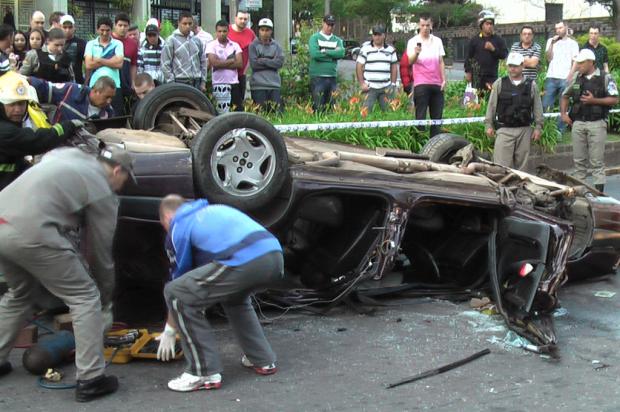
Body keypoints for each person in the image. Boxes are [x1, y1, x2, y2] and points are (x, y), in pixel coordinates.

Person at [0, 144, 135, 402]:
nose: (123, 184)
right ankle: (91, 379)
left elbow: (50, 157)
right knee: (85, 297)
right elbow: (101, 253)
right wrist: (105, 299)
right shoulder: (102, 190)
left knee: (20, 293)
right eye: (125, 179)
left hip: (1, 220)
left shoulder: (71, 156)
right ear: (117, 171)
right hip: (33, 231)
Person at [156, 195, 283, 392]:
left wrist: (170, 330)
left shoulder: (179, 224)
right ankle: (261, 359)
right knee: (235, 299)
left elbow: (179, 283)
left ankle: (203, 372)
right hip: (274, 255)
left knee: (176, 292)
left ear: (166, 217)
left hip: (245, 259)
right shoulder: (214, 210)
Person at [0, 71, 80, 190]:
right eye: (12, 105)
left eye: (21, 104)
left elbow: (15, 162)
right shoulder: (5, 132)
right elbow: (36, 141)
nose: (18, 110)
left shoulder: (8, 124)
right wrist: (67, 126)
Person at [561, 49, 619, 192]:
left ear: (590, 62)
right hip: (578, 123)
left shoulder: (605, 77)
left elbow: (614, 99)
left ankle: (599, 195)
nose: (578, 65)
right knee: (579, 162)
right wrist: (563, 114)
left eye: (581, 63)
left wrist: (594, 100)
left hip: (597, 124)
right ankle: (580, 195)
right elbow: (565, 95)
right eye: (577, 62)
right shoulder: (576, 78)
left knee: (596, 162)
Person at [484, 52, 543, 170]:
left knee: (522, 167)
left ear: (522, 66)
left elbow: (537, 107)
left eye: (515, 66)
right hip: (504, 129)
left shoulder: (531, 85)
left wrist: (538, 127)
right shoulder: (499, 83)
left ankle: (520, 187)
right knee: (500, 166)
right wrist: (488, 125)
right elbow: (491, 106)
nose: (512, 69)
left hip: (524, 130)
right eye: (510, 66)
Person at [407, 14, 446, 136]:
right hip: (421, 84)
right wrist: (416, 53)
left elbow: (441, 61)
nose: (425, 28)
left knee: (437, 118)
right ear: (419, 25)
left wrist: (444, 79)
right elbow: (410, 61)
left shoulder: (437, 41)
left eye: (427, 25)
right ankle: (419, 142)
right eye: (422, 25)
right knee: (420, 116)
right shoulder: (413, 41)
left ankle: (435, 145)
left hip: (437, 83)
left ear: (431, 25)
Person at [30, 75, 115, 122]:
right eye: (107, 97)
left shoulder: (109, 112)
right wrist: (25, 80)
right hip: (61, 144)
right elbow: (45, 87)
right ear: (95, 91)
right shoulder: (71, 90)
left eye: (111, 97)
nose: (109, 101)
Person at [543, 21, 579, 134]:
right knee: (545, 104)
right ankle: (545, 129)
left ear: (566, 28)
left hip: (565, 78)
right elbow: (548, 58)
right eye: (556, 28)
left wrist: (570, 75)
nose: (558, 30)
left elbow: (575, 61)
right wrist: (552, 44)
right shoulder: (551, 41)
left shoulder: (573, 43)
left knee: (563, 106)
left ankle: (559, 131)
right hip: (551, 77)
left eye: (560, 28)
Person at [356, 24, 397, 113]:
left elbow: (394, 67)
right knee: (365, 114)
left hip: (386, 87)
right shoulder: (365, 49)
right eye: (375, 34)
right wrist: (362, 83)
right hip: (370, 87)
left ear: (384, 35)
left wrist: (393, 84)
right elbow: (359, 66)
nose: (377, 37)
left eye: (379, 34)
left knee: (389, 114)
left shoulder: (391, 50)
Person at [161, 11, 207, 91]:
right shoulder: (171, 40)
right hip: (180, 81)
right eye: (184, 23)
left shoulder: (197, 41)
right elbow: (165, 64)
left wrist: (203, 82)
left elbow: (203, 62)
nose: (187, 26)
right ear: (178, 23)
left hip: (196, 81)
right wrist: (171, 83)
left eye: (190, 23)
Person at [308, 14, 345, 112]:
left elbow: (341, 53)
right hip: (317, 77)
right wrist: (333, 55)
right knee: (318, 106)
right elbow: (315, 54)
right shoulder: (315, 38)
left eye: (332, 25)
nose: (330, 27)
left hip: (332, 77)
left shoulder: (338, 40)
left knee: (332, 107)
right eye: (328, 24)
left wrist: (324, 51)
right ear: (323, 23)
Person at [464, 10, 508, 92]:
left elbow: (504, 55)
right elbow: (469, 57)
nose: (490, 26)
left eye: (491, 24)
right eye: (487, 24)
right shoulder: (474, 40)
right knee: (478, 101)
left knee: (491, 101)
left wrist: (493, 49)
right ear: (481, 25)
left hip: (491, 77)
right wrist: (468, 72)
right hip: (477, 78)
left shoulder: (498, 40)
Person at [84, 17, 123, 104]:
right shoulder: (90, 44)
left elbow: (119, 64)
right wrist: (111, 60)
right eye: (102, 30)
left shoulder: (118, 44)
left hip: (114, 85)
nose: (104, 33)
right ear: (97, 30)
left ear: (111, 30)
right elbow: (88, 65)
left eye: (107, 30)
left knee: (115, 114)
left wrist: (99, 60)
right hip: (95, 85)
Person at [249, 18, 284, 113]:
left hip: (274, 85)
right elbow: (254, 64)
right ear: (259, 31)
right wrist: (271, 61)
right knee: (260, 115)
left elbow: (279, 63)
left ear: (271, 31)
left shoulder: (276, 46)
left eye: (267, 30)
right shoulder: (253, 45)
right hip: (258, 86)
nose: (264, 33)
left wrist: (263, 60)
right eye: (262, 30)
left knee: (277, 114)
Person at [206, 20, 242, 114]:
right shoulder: (211, 45)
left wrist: (220, 63)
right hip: (218, 84)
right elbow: (214, 63)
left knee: (236, 113)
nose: (222, 34)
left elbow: (239, 64)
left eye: (224, 31)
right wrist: (231, 60)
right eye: (219, 31)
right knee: (220, 113)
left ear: (228, 31)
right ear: (216, 32)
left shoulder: (235, 45)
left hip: (233, 83)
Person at [228, 10, 256, 112]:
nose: (243, 21)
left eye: (245, 19)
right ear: (235, 18)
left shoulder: (250, 33)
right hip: (227, 73)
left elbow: (253, 51)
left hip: (241, 74)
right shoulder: (227, 30)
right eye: (240, 18)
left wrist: (246, 68)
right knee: (228, 103)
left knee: (239, 103)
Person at [111, 13, 138, 116]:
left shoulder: (133, 43)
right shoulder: (109, 40)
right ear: (115, 25)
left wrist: (133, 82)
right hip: (111, 82)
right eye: (120, 25)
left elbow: (133, 65)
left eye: (125, 26)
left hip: (125, 82)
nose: (122, 28)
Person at [61, 14, 86, 85]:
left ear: (74, 27)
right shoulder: (54, 42)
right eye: (65, 27)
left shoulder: (81, 43)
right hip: (59, 82)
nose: (67, 30)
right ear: (60, 27)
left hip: (77, 83)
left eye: (70, 27)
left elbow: (87, 64)